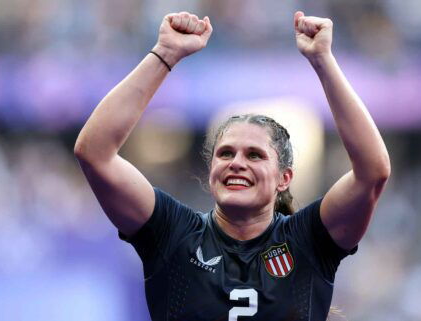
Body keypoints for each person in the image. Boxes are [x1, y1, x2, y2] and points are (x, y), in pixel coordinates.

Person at [74, 11, 390, 321]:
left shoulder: (307, 241)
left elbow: (372, 173)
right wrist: (164, 54)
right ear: (211, 170)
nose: (237, 163)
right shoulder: (174, 234)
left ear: (284, 178)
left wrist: (323, 61)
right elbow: (94, 153)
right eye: (226, 154)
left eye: (254, 155)